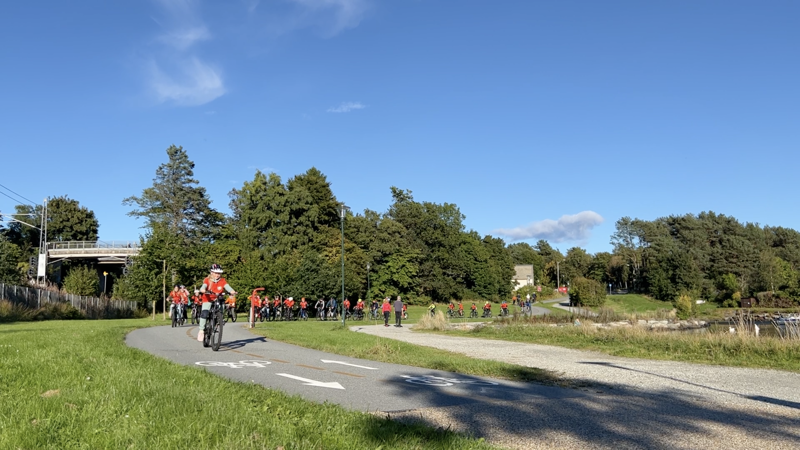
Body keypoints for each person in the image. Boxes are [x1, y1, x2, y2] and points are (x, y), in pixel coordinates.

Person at [197, 264, 236, 342]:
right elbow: (203, 286)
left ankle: (218, 322)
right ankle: (201, 331)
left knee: (220, 311)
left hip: (218, 298)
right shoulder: (207, 280)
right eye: (216, 273)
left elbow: (227, 286)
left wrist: (232, 291)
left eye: (219, 273)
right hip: (208, 299)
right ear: (211, 272)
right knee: (204, 313)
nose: (218, 275)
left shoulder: (222, 280)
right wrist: (203, 290)